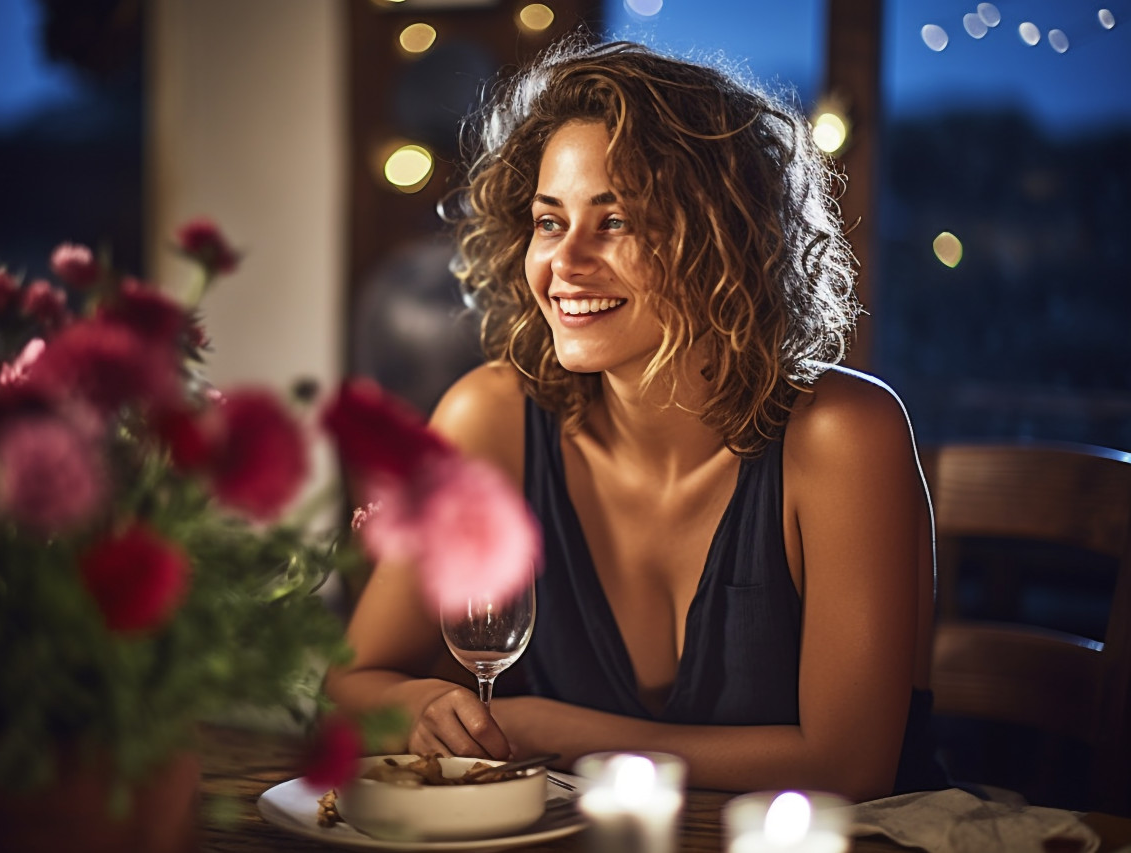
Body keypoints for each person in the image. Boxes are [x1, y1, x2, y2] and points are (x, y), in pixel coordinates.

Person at [324, 38, 945, 801]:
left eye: (615, 221)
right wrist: (417, 704)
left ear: (724, 239)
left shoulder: (846, 437)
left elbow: (848, 770)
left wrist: (549, 729)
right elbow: (348, 684)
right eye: (550, 222)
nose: (566, 262)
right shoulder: (487, 420)